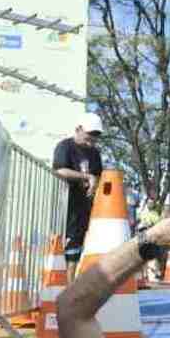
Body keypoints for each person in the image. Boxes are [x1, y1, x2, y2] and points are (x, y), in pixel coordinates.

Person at [52, 112, 103, 277]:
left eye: (94, 138)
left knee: (78, 243)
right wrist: (86, 177)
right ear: (79, 129)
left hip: (84, 205)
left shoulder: (94, 153)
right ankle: (64, 284)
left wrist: (95, 185)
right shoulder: (65, 146)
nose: (91, 142)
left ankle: (72, 283)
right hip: (66, 203)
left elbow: (98, 175)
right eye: (88, 136)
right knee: (65, 243)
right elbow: (60, 170)